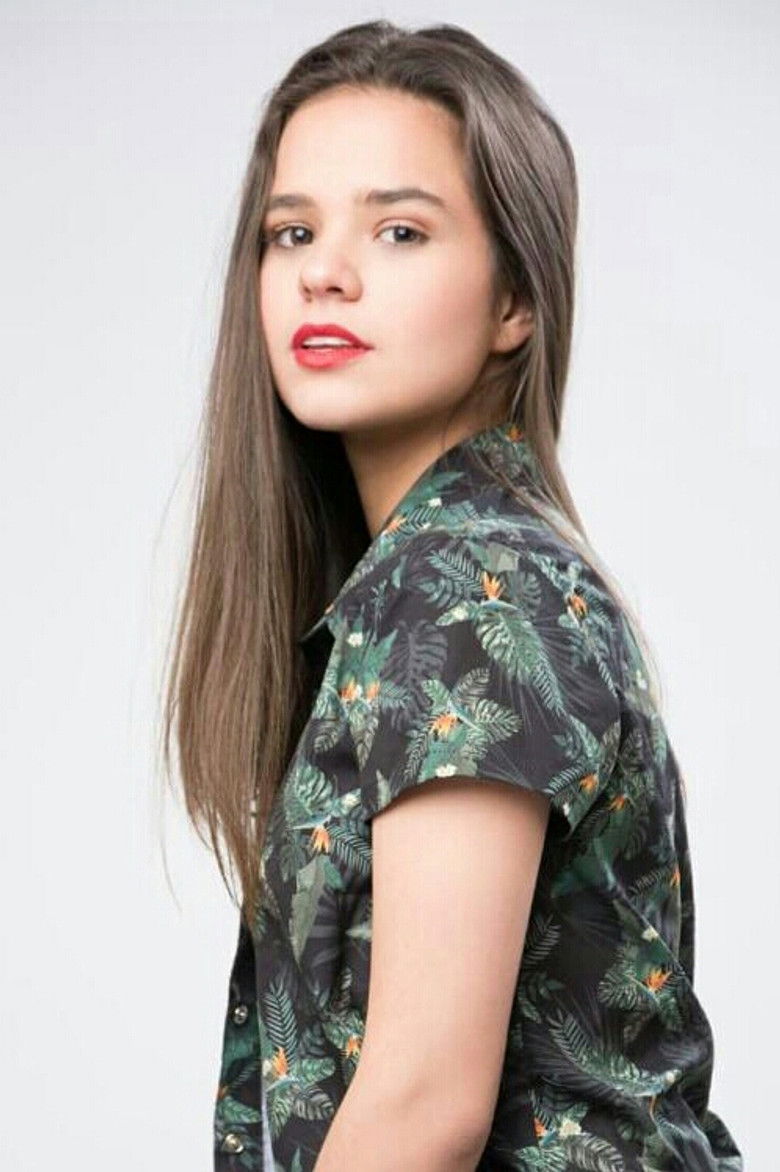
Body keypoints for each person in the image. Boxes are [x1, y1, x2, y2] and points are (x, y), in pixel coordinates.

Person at [162, 19, 743, 1172]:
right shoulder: (426, 577)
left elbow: (424, 1107)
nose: (325, 271)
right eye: (292, 231)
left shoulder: (473, 588)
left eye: (399, 229)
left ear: (514, 299)